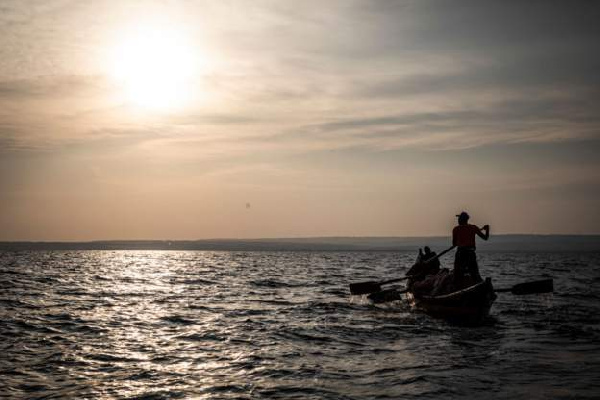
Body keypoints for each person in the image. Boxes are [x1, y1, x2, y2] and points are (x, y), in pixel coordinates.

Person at [452, 211, 489, 283]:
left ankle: (456, 288)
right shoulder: (473, 228)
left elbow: (454, 244)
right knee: (475, 275)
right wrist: (487, 229)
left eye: (459, 219)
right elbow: (485, 238)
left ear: (462, 220)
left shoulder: (456, 229)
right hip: (470, 253)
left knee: (457, 276)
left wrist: (460, 240)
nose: (458, 220)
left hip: (460, 253)